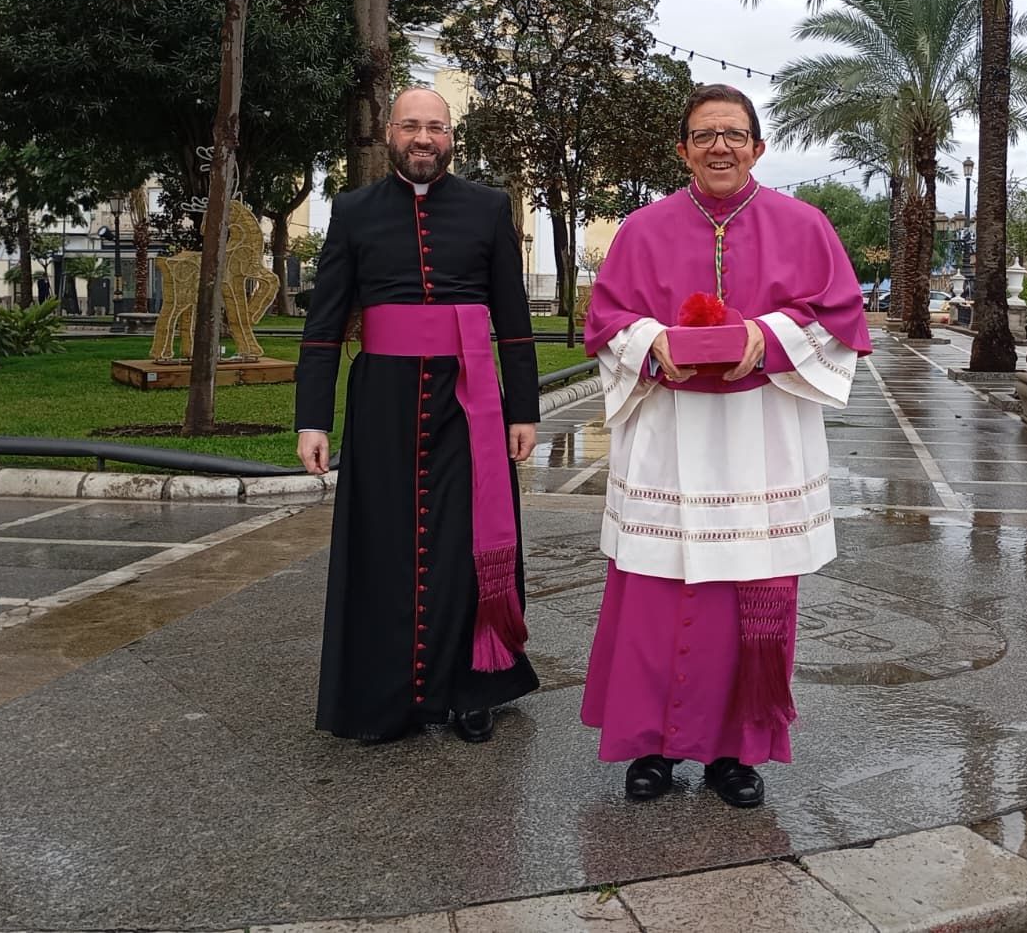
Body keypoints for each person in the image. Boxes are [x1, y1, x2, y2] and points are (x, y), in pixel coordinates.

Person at [581, 83, 871, 808]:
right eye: (705, 134)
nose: (720, 146)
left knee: (753, 598)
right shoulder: (642, 229)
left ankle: (735, 754)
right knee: (653, 592)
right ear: (682, 149)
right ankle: (648, 749)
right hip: (669, 438)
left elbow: (841, 318)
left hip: (762, 437)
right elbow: (608, 318)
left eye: (734, 134)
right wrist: (652, 342)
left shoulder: (804, 225)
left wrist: (762, 337)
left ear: (758, 147)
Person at [296, 87, 540, 745]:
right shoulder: (352, 212)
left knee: (467, 542)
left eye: (435, 126)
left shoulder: (488, 207)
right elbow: (323, 327)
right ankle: (387, 696)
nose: (423, 137)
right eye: (411, 126)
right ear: (389, 133)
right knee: (384, 543)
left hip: (471, 400)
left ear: (451, 136)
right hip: (383, 399)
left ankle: (470, 689)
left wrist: (525, 410)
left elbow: (513, 323)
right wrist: (311, 420)